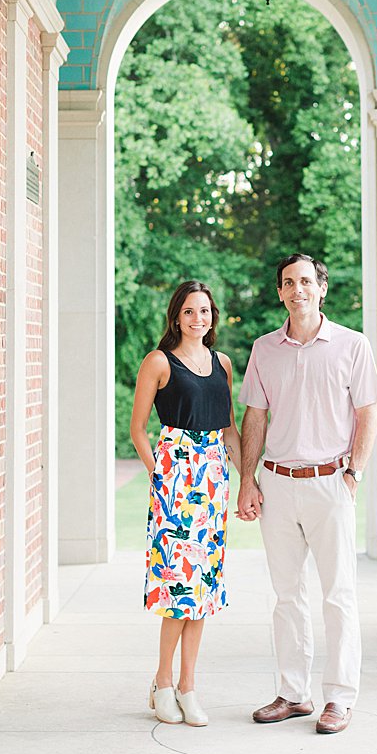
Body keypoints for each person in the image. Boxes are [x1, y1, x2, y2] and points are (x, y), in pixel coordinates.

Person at [236, 252, 377, 735]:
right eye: (287, 282)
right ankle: (293, 694)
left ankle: (339, 698)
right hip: (277, 484)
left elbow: (368, 413)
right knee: (286, 596)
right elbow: (254, 417)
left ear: (321, 288)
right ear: (279, 292)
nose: (297, 289)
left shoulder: (352, 345)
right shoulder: (265, 349)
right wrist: (247, 479)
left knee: (338, 595)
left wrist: (353, 474)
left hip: (330, 483)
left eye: (305, 281)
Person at [130, 280, 242, 727]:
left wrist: (248, 478)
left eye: (206, 311)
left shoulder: (224, 364)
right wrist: (159, 472)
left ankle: (188, 686)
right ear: (176, 316)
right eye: (190, 311)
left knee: (203, 592)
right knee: (178, 591)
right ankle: (162, 683)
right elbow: (138, 428)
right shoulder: (159, 362)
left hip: (213, 482)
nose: (199, 318)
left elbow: (229, 427)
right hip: (175, 482)